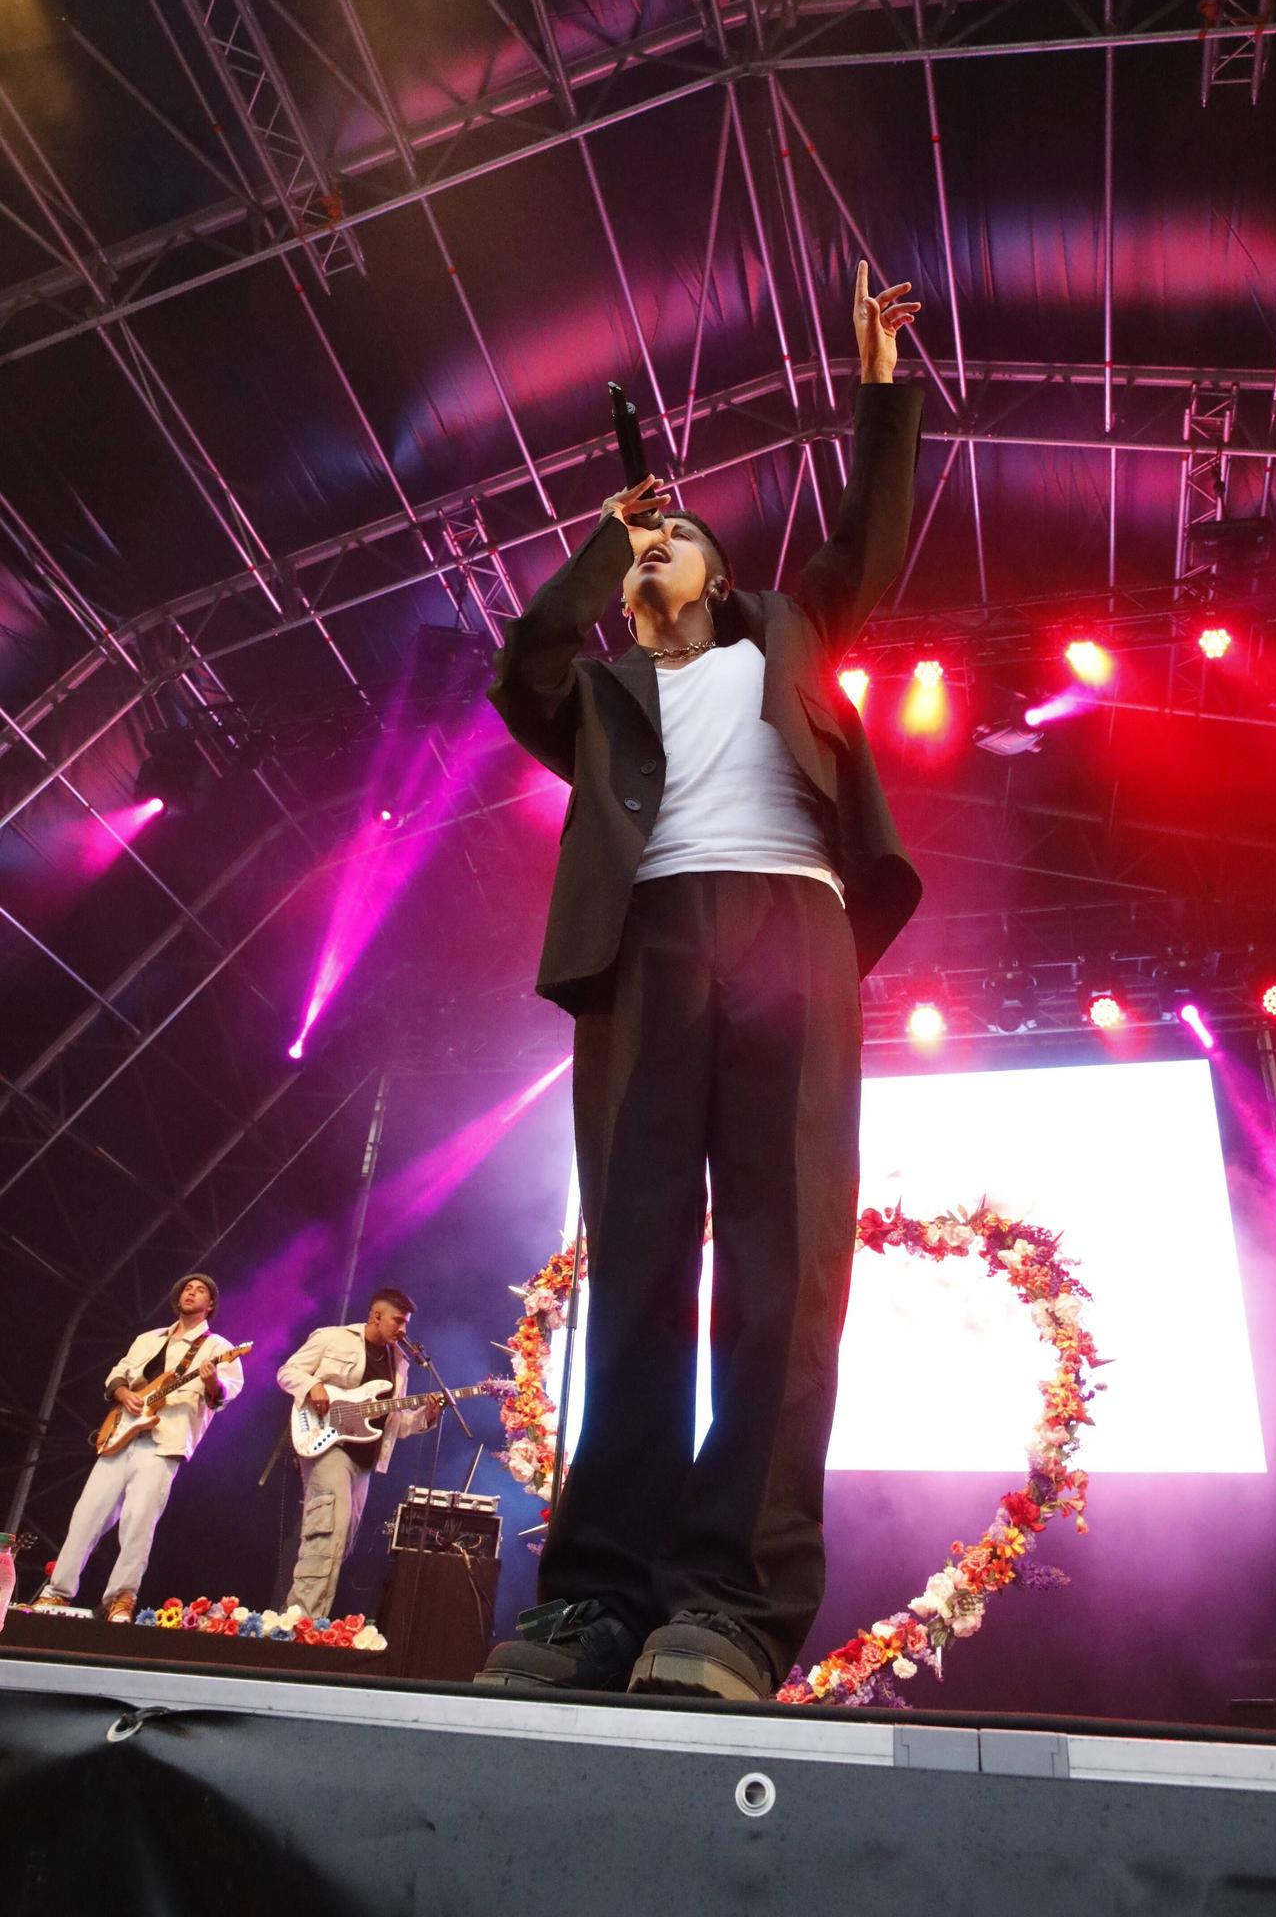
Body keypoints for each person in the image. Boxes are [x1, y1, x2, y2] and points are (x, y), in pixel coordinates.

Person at [478, 265, 926, 1701]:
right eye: (644, 541)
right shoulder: (603, 695)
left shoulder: (789, 630)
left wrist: (880, 390)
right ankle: (597, 1599)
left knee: (783, 1272)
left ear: (722, 574)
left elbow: (869, 536)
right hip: (646, 949)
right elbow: (522, 666)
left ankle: (727, 1606)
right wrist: (603, 548)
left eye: (676, 536)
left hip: (790, 929)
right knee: (642, 1270)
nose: (658, 544)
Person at [30, 1272, 244, 1623]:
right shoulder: (148, 1338)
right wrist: (123, 1393)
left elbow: (225, 1395)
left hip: (163, 1442)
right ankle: (57, 1591)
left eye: (200, 1290)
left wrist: (212, 1381)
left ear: (210, 1305)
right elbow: (119, 1372)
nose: (191, 1293)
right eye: (187, 1288)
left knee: (138, 1521)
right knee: (87, 1516)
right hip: (121, 1435)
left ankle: (120, 1599)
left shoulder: (218, 1347)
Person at [278, 1287, 443, 1619]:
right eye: (398, 1321)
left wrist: (427, 1415)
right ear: (376, 1315)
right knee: (327, 1530)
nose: (403, 1330)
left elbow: (397, 1424)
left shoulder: (400, 1364)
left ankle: (307, 1619)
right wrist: (313, 1386)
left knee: (343, 1540)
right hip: (329, 1446)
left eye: (407, 1323)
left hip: (366, 1461)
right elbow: (287, 1372)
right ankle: (298, 1623)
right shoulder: (333, 1338)